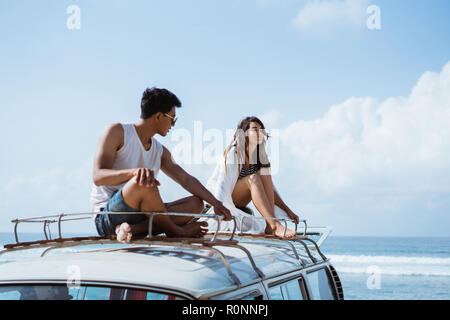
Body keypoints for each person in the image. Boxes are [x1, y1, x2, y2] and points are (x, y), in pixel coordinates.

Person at [90, 87, 231, 243]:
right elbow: (98, 177)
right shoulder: (117, 132)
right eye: (172, 118)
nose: (173, 124)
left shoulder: (160, 151)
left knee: (196, 204)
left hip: (140, 216)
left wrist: (216, 203)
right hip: (108, 217)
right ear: (158, 116)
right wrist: (134, 173)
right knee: (144, 183)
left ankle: (132, 230)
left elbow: (185, 179)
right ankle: (177, 232)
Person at [203, 116, 300, 239]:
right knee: (253, 177)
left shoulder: (260, 158)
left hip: (241, 201)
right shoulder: (233, 154)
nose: (260, 132)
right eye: (255, 129)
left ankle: (271, 224)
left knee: (264, 174)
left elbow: (269, 190)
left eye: (261, 129)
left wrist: (288, 210)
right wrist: (218, 208)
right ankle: (274, 224)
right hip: (224, 201)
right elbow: (221, 185)